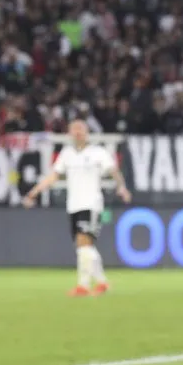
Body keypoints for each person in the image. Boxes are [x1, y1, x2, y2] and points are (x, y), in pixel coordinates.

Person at [22, 119, 131, 296]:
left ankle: (83, 286)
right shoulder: (67, 154)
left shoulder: (98, 152)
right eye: (74, 129)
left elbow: (113, 171)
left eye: (80, 129)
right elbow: (53, 176)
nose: (77, 132)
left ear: (87, 132)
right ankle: (102, 282)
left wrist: (122, 188)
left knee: (83, 242)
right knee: (84, 247)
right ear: (69, 133)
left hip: (91, 204)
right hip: (74, 205)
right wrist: (33, 193)